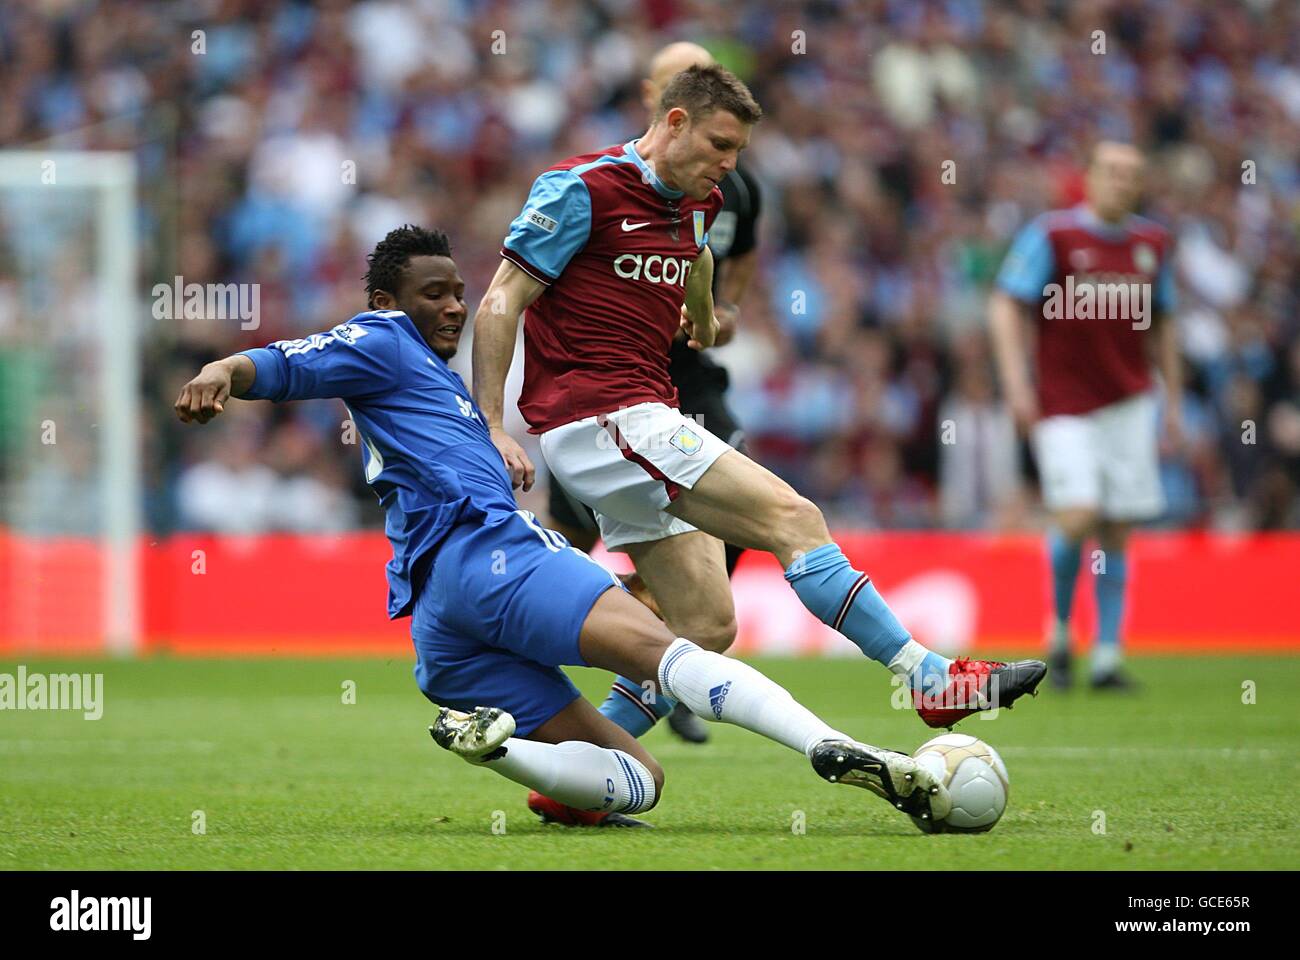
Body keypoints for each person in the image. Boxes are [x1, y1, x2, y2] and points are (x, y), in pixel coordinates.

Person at [173, 224, 953, 829]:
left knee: (636, 782)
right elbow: (284, 361)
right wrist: (220, 373)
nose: (453, 307)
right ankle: (837, 749)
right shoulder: (381, 339)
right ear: (387, 301)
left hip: (443, 630)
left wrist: (494, 445)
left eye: (458, 293)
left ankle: (495, 744)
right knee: (670, 645)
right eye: (433, 294)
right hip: (487, 557)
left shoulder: (428, 384)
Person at [471, 65, 1046, 753]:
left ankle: (583, 772)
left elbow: (699, 260)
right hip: (603, 419)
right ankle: (927, 677)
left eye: (738, 151)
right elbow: (502, 299)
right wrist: (494, 425)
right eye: (720, 144)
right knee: (793, 518)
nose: (729, 164)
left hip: (640, 420)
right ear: (674, 121)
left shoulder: (700, 204)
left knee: (707, 623)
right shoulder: (581, 188)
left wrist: (706, 317)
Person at [545, 41, 764, 746]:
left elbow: (733, 297)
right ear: (660, 100)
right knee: (572, 544)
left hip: (687, 386)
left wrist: (709, 322)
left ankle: (673, 659)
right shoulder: (599, 183)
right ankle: (558, 649)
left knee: (737, 523)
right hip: (603, 394)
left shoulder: (738, 192)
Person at [989, 141, 1180, 690]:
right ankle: (1059, 633)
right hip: (1064, 402)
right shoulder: (1054, 235)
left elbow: (1164, 321)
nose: (1121, 182)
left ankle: (1107, 657)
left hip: (1130, 401)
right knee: (1078, 513)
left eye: (1132, 175)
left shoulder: (1153, 243)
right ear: (1090, 178)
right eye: (1112, 172)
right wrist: (1017, 382)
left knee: (1118, 526)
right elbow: (1006, 301)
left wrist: (1171, 398)